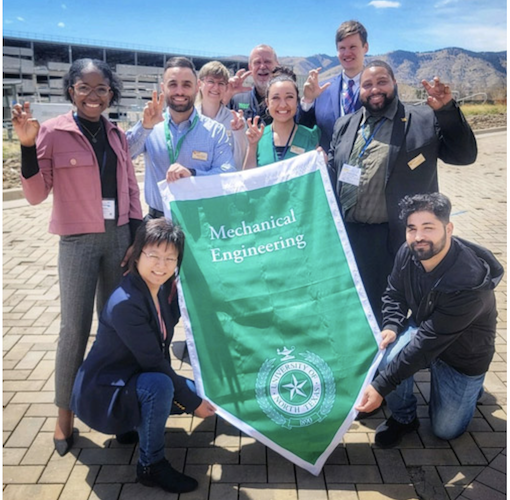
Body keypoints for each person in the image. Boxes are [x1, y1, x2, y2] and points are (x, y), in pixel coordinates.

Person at [11, 58, 143, 456]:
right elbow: (35, 196)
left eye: (101, 88)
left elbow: (131, 189)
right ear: (71, 91)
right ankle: (64, 414)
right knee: (74, 330)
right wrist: (28, 145)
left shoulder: (117, 134)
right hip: (77, 243)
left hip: (119, 239)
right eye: (84, 87)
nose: (92, 95)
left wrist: (135, 238)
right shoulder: (52, 132)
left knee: (116, 326)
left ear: (110, 93)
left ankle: (114, 408)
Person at [71, 218, 216, 494]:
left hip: (127, 378)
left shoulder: (159, 289)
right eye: (154, 256)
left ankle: (129, 425)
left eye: (170, 258)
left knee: (193, 391)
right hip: (103, 394)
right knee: (164, 387)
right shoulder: (126, 303)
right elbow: (154, 363)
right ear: (136, 255)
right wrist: (193, 403)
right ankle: (151, 466)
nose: (162, 265)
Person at [328, 60, 477, 325]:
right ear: (359, 90)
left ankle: (399, 362)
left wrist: (447, 111)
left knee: (394, 312)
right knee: (357, 310)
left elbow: (464, 155)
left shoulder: (423, 118)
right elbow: (332, 170)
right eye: (368, 84)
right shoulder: (345, 124)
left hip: (397, 238)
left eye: (382, 82)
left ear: (394, 84)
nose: (375, 89)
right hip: (351, 237)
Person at [355, 193, 503, 448]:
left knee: (445, 430)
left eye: (428, 228)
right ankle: (403, 419)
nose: (418, 236)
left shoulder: (469, 284)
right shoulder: (408, 252)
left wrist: (380, 387)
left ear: (448, 228)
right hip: (428, 331)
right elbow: (394, 293)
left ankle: (470, 387)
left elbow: (425, 344)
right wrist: (391, 324)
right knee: (387, 354)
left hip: (462, 355)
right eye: (412, 228)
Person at [127, 56, 236, 218]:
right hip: (158, 222)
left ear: (197, 86)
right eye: (173, 84)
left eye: (186, 84)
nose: (179, 91)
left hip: (201, 221)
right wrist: (144, 127)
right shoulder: (151, 127)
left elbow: (227, 174)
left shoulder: (215, 131)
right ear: (163, 88)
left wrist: (193, 174)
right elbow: (123, 154)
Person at [299, 20, 369, 150]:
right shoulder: (322, 90)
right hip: (329, 167)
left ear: (365, 47)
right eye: (342, 48)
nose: (347, 53)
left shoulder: (378, 90)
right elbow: (304, 128)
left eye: (352, 47)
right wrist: (308, 100)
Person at [243, 68, 321, 169]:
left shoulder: (311, 136)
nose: (283, 105)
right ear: (267, 103)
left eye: (289, 97)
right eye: (276, 98)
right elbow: (247, 179)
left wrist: (322, 162)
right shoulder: (257, 138)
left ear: (297, 101)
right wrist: (252, 146)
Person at [196, 60, 248, 170]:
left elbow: (241, 160)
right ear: (199, 84)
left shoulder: (235, 121)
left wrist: (239, 133)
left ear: (226, 87)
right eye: (211, 81)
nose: (216, 87)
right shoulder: (189, 118)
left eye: (221, 83)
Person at [229, 44, 280, 125]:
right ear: (250, 68)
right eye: (257, 62)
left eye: (267, 61)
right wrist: (225, 97)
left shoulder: (289, 102)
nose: (262, 66)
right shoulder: (236, 100)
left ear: (277, 66)